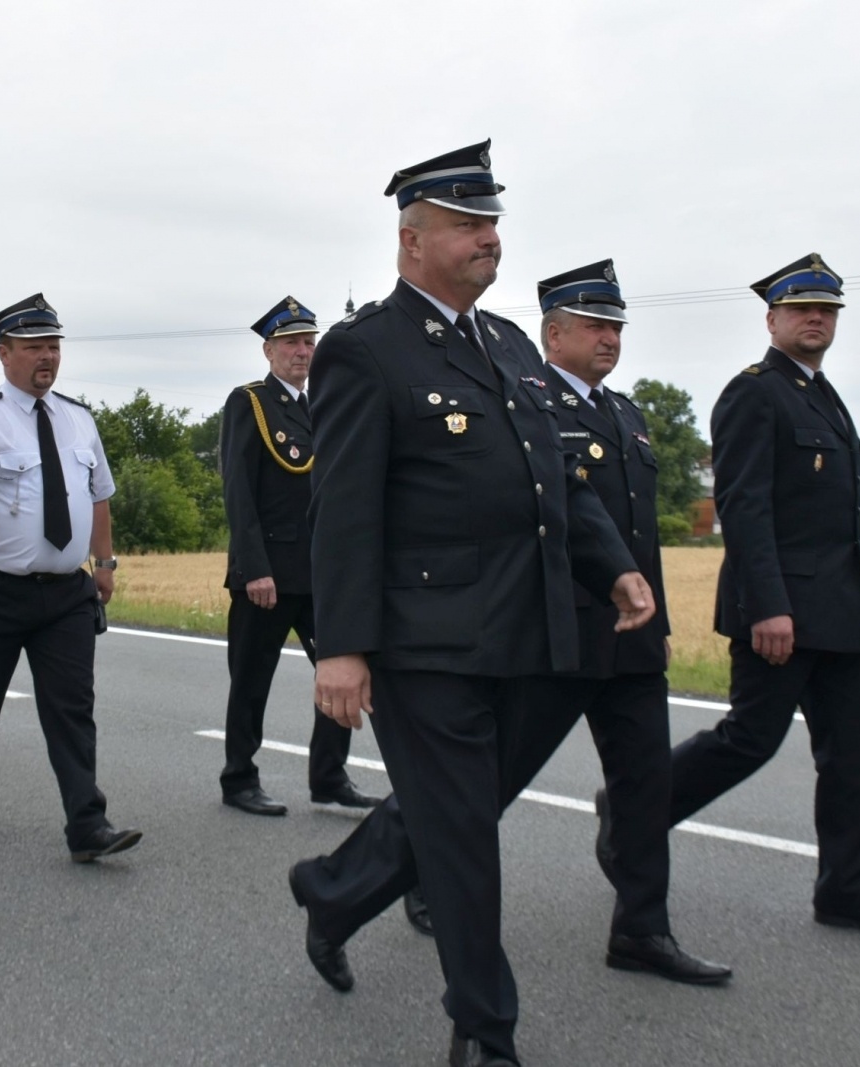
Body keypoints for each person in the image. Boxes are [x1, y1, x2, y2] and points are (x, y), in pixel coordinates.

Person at [296, 142, 654, 1067]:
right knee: (464, 843)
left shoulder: (505, 345)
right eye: (467, 224)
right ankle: (485, 1031)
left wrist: (611, 565)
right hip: (427, 642)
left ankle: (334, 892)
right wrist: (341, 647)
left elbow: (556, 482)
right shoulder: (364, 350)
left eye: (493, 224)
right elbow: (342, 508)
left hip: (530, 631)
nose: (489, 239)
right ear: (412, 240)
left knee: (455, 816)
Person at [663, 254, 860, 942]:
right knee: (749, 739)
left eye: (828, 311)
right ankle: (634, 808)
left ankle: (848, 888)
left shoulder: (824, 394)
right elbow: (744, 504)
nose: (817, 319)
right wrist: (767, 604)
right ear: (773, 318)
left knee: (855, 753)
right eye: (803, 309)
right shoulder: (754, 392)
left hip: (841, 609)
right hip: (782, 610)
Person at [533, 261, 729, 984]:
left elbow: (641, 537)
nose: (609, 338)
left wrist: (659, 621)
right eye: (594, 325)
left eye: (616, 326)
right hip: (558, 632)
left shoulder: (627, 414)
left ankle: (642, 929)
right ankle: (420, 875)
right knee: (479, 781)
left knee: (646, 787)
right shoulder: (531, 407)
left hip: (632, 639)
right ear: (553, 333)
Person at [0, 293, 141, 863]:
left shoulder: (79, 418)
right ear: (5, 354)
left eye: (53, 346)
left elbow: (99, 497)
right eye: (34, 348)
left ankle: (87, 825)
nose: (46, 357)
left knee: (72, 708)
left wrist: (104, 564)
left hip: (67, 593)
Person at [217, 296, 377, 817]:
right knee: (251, 680)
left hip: (318, 575)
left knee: (340, 673)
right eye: (291, 343)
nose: (302, 352)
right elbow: (239, 491)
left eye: (309, 342)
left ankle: (328, 777)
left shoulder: (321, 406)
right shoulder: (251, 403)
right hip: (268, 575)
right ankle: (239, 778)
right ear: (269, 350)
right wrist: (253, 567)